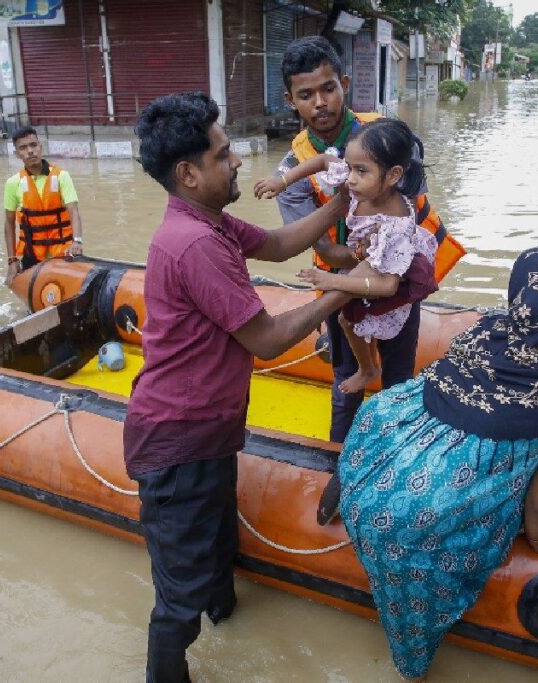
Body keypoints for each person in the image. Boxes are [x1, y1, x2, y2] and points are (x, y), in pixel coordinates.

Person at [125, 91, 352, 683]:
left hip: (210, 432)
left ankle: (226, 615)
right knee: (180, 595)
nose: (238, 164)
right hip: (179, 442)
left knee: (217, 552)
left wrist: (344, 200)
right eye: (225, 155)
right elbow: (269, 339)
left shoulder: (211, 223)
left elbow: (277, 245)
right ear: (188, 173)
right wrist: (350, 289)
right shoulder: (197, 244)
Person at [338, 246, 538, 681]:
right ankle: (411, 669)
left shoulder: (488, 331)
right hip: (410, 524)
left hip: (367, 466)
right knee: (416, 637)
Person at [273, 35, 464, 444]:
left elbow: (408, 212)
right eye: (306, 95)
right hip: (344, 281)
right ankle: (339, 458)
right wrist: (356, 261)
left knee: (398, 374)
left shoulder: (388, 135)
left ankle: (397, 452)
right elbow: (319, 246)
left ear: (344, 83)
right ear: (291, 101)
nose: (320, 103)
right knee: (346, 378)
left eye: (328, 88)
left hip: (397, 274)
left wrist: (377, 264)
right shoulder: (293, 168)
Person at [256, 118, 438, 395]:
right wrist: (282, 181)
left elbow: (387, 285)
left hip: (392, 271)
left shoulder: (395, 224)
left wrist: (332, 280)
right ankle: (368, 368)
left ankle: (369, 369)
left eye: (361, 171)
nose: (350, 178)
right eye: (350, 167)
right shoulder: (360, 179)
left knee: (348, 321)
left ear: (393, 175)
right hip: (365, 257)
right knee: (346, 319)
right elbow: (321, 161)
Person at [3, 126, 83, 286]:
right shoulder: (13, 183)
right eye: (23, 148)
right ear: (17, 154)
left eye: (33, 145)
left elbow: (73, 211)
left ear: (40, 147)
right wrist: (12, 261)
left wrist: (77, 241)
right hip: (32, 255)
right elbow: (9, 223)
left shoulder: (62, 176)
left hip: (64, 252)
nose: (30, 151)